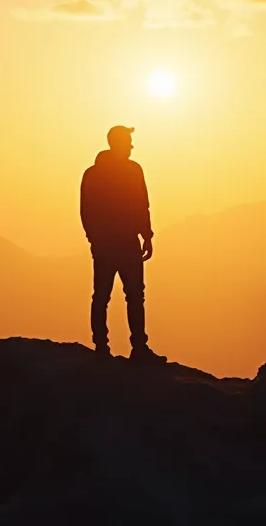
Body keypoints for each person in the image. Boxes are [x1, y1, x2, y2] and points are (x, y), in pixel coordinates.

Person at [80, 125, 166, 363]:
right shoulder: (111, 172)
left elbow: (140, 204)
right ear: (116, 143)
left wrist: (146, 234)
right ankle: (131, 349)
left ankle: (108, 349)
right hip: (119, 243)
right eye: (128, 141)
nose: (131, 145)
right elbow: (88, 210)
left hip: (119, 243)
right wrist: (144, 235)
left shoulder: (98, 173)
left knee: (110, 296)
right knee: (127, 296)